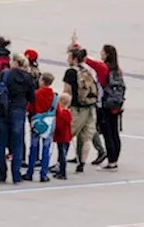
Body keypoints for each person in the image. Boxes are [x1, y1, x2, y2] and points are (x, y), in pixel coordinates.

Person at [0, 53, 37, 184]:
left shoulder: (5, 74)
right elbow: (32, 97)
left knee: (1, 142)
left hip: (3, 110)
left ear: (15, 62)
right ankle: (16, 175)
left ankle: (2, 173)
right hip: (19, 110)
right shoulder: (28, 77)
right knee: (18, 143)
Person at [63, 46, 99, 174]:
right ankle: (81, 164)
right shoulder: (88, 71)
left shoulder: (70, 72)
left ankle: (60, 162)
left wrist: (63, 106)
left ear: (74, 59)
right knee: (86, 137)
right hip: (89, 106)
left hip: (76, 108)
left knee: (67, 135)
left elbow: (67, 91)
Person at [25, 71, 57, 182]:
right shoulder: (53, 96)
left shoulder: (36, 94)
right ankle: (43, 173)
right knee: (46, 148)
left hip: (36, 121)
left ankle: (30, 172)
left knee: (34, 147)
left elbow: (30, 108)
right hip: (48, 123)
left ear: (42, 81)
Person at [99, 44, 125, 171]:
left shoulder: (105, 68)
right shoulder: (117, 70)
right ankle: (115, 159)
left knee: (107, 133)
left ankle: (111, 161)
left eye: (102, 52)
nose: (101, 54)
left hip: (106, 104)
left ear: (107, 54)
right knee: (115, 133)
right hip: (116, 104)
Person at [53, 93, 74, 179]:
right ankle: (61, 172)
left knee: (62, 155)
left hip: (61, 137)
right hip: (67, 137)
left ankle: (62, 172)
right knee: (63, 155)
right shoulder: (68, 113)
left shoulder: (61, 114)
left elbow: (59, 126)